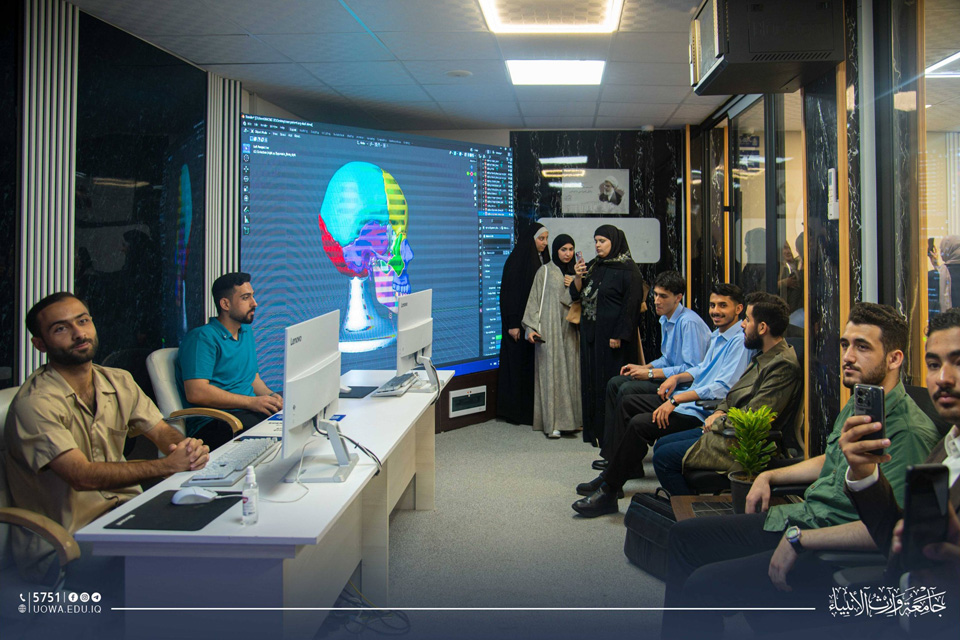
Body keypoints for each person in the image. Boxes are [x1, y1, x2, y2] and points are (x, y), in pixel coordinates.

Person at [659, 302, 941, 639]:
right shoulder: (864, 402)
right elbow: (831, 460)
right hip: (805, 516)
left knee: (703, 584)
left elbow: (891, 531)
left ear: (894, 359)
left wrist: (799, 539)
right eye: (845, 344)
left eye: (862, 347)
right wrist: (769, 475)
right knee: (683, 537)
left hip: (831, 549)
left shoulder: (908, 432)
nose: (848, 356)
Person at [5, 292, 210, 587]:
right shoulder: (35, 403)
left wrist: (183, 449)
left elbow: (160, 431)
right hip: (67, 545)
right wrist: (167, 465)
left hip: (125, 516)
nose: (79, 334)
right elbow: (82, 476)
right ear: (40, 344)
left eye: (83, 321)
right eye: (61, 328)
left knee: (214, 532)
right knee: (187, 569)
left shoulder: (117, 379)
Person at [573, 284, 751, 510]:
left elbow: (722, 388)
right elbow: (700, 370)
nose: (715, 311)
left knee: (638, 421)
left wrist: (675, 399)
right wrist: (674, 378)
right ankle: (613, 477)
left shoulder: (739, 342)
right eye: (713, 305)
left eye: (723, 306)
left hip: (703, 411)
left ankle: (609, 488)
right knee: (628, 402)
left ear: (739, 309)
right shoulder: (718, 335)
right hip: (688, 401)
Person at [841, 308, 960, 580]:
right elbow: (896, 545)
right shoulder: (947, 447)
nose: (943, 378)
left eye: (959, 362)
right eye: (934, 365)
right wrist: (865, 473)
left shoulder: (914, 432)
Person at [652, 292, 803, 496]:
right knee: (662, 444)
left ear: (762, 328)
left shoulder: (782, 365)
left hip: (741, 443)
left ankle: (689, 511)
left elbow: (754, 418)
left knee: (663, 458)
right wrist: (719, 411)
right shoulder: (764, 355)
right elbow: (734, 392)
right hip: (726, 428)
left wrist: (718, 422)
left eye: (747, 320)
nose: (742, 325)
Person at [598, 270, 711, 468]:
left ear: (678, 298)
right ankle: (614, 453)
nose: (657, 301)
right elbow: (667, 358)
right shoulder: (666, 319)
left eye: (663, 296)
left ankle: (626, 461)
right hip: (670, 381)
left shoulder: (688, 322)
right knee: (615, 383)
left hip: (684, 388)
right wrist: (645, 367)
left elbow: (692, 369)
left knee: (626, 389)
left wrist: (650, 374)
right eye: (656, 295)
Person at [176, 272, 282, 449]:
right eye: (245, 298)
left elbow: (253, 379)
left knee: (293, 414)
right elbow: (196, 392)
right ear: (225, 304)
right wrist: (252, 402)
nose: (254, 303)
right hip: (217, 422)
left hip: (247, 412)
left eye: (252, 296)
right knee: (281, 433)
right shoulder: (202, 338)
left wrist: (271, 397)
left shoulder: (245, 332)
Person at [570, 225, 645, 446]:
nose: (597, 245)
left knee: (609, 384)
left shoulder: (629, 269)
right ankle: (596, 433)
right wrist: (577, 277)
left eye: (602, 241)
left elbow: (631, 305)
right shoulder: (594, 265)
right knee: (592, 383)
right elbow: (575, 294)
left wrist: (619, 334)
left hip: (613, 341)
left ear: (615, 241)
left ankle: (612, 437)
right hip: (592, 336)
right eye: (596, 241)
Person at [522, 233, 581, 438]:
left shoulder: (577, 273)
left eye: (571, 249)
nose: (568, 254)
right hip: (549, 329)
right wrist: (530, 328)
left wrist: (576, 282)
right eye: (563, 249)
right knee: (551, 374)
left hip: (570, 330)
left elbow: (583, 301)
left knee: (571, 374)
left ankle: (572, 421)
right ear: (556, 250)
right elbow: (534, 300)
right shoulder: (545, 271)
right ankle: (553, 422)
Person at [497, 222, 549, 425]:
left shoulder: (542, 259)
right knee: (516, 367)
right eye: (541, 238)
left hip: (532, 325)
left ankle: (530, 412)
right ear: (531, 239)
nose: (545, 243)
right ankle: (514, 412)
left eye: (546, 239)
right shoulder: (517, 260)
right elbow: (510, 294)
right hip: (517, 325)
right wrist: (513, 323)